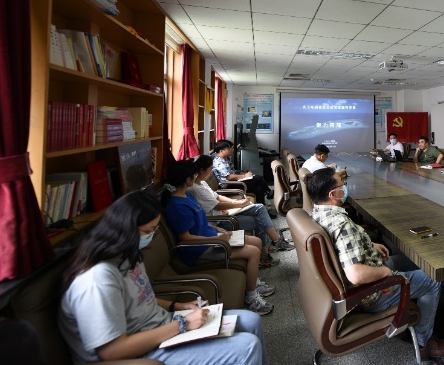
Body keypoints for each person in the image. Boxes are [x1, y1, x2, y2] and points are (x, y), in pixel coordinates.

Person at [58, 190, 268, 365]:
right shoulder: (97, 280)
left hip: (161, 327)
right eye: (148, 231)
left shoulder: (127, 255)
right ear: (125, 230)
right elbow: (112, 351)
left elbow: (139, 298)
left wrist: (177, 306)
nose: (151, 237)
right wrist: (182, 325)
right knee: (247, 347)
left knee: (251, 321)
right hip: (140, 351)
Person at [305, 168, 444, 359]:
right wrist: (385, 273)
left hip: (362, 273)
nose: (345, 187)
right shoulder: (342, 224)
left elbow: (341, 247)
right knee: (432, 280)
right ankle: (424, 342)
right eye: (342, 185)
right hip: (371, 292)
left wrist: (367, 244)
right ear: (333, 194)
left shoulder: (319, 212)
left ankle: (413, 313)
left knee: (408, 260)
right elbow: (356, 275)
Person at [163, 160, 275, 315]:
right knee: (254, 252)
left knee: (256, 241)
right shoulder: (177, 206)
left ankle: (253, 282)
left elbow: (201, 220)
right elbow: (186, 238)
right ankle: (251, 297)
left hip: (212, 238)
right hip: (199, 249)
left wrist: (216, 229)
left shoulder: (186, 195)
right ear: (187, 179)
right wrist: (218, 239)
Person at [189, 155, 293, 267]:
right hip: (220, 221)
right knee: (260, 220)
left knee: (259, 208)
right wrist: (239, 204)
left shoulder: (202, 182)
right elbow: (217, 205)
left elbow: (217, 196)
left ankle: (274, 245)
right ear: (201, 170)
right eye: (210, 170)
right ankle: (267, 252)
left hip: (225, 213)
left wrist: (234, 202)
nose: (211, 173)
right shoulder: (196, 189)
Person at [212, 140, 271, 204]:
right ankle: (270, 192)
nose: (231, 150)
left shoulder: (225, 159)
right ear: (221, 151)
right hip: (229, 186)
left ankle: (262, 208)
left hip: (233, 183)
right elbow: (229, 177)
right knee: (258, 178)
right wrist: (244, 176)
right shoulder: (219, 162)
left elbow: (233, 171)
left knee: (259, 188)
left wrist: (244, 174)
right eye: (229, 149)